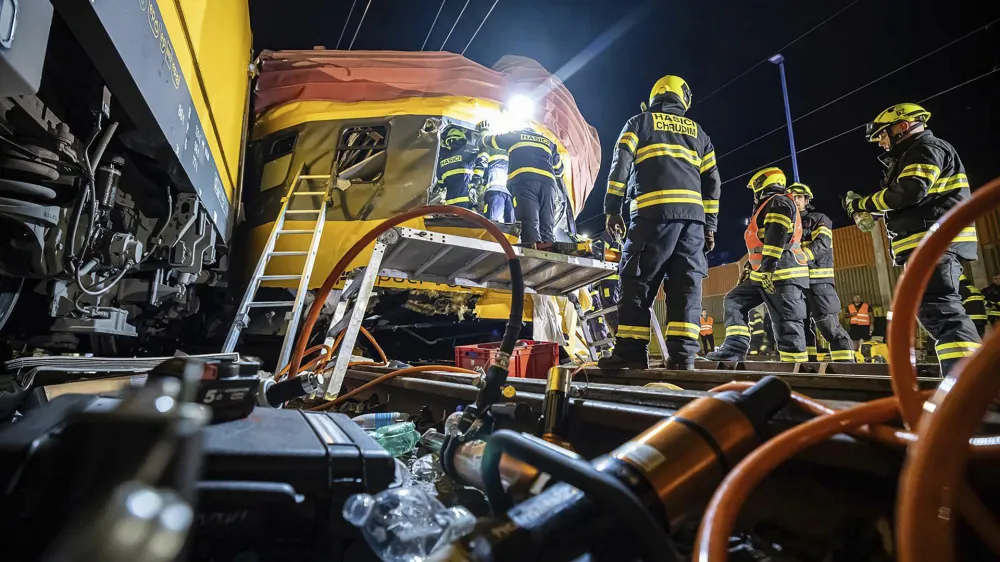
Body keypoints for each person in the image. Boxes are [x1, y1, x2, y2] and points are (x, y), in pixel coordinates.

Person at [845, 102, 981, 375]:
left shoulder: (925, 149)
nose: (882, 142)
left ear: (902, 127)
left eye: (883, 134)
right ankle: (965, 380)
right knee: (936, 311)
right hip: (929, 245)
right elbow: (912, 202)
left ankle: (969, 383)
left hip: (935, 244)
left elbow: (909, 192)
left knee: (942, 312)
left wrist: (865, 204)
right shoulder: (916, 153)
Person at [598, 75, 721, 370]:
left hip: (652, 219)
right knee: (686, 289)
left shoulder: (640, 122)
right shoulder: (699, 133)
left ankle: (630, 354)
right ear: (683, 99)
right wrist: (711, 225)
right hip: (693, 226)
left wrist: (612, 208)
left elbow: (621, 164)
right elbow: (713, 182)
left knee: (637, 284)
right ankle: (682, 358)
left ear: (655, 97)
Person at [706, 167, 809, 363]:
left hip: (782, 274)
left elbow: (776, 236)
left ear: (764, 185)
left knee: (787, 325)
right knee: (734, 300)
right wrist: (749, 268)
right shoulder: (769, 205)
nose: (754, 192)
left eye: (756, 187)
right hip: (764, 274)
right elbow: (760, 245)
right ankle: (735, 347)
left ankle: (798, 372)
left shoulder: (778, 202)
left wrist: (767, 269)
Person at [788, 183, 855, 362]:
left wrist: (800, 258)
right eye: (791, 197)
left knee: (828, 325)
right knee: (801, 327)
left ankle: (847, 366)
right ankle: (808, 367)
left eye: (798, 197)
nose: (794, 200)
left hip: (819, 281)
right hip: (796, 283)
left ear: (806, 200)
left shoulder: (819, 219)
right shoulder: (786, 225)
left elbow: (822, 243)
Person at [478, 122, 565, 244]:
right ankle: (548, 250)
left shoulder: (515, 135)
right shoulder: (548, 141)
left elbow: (489, 141)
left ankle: (532, 256)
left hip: (524, 181)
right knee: (546, 225)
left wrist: (485, 132)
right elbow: (559, 170)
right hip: (548, 184)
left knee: (529, 223)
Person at [436, 126, 486, 209]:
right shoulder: (469, 154)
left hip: (451, 206)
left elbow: (441, 184)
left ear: (448, 141)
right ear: (462, 140)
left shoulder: (442, 161)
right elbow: (483, 159)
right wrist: (485, 134)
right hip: (468, 203)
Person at [478, 145, 515, 223]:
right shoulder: (511, 151)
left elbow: (481, 164)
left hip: (495, 190)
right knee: (511, 226)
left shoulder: (487, 147)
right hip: (509, 193)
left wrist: (475, 183)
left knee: (494, 224)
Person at [958, 273, 988, 338]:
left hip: (970, 319)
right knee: (980, 339)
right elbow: (985, 303)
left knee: (972, 341)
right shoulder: (974, 289)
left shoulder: (962, 289)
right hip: (981, 320)